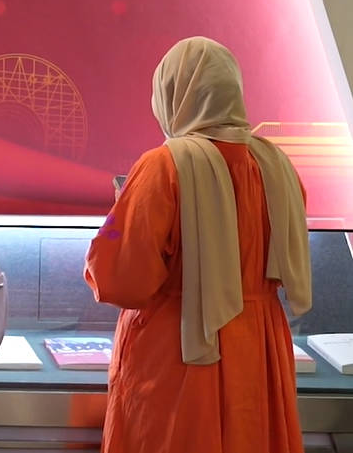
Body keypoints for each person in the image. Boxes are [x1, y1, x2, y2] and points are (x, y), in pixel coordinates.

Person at [84, 36, 311, 453]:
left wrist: (119, 214)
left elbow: (121, 280)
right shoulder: (277, 165)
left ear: (172, 94)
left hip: (181, 351)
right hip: (260, 347)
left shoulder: (164, 165)